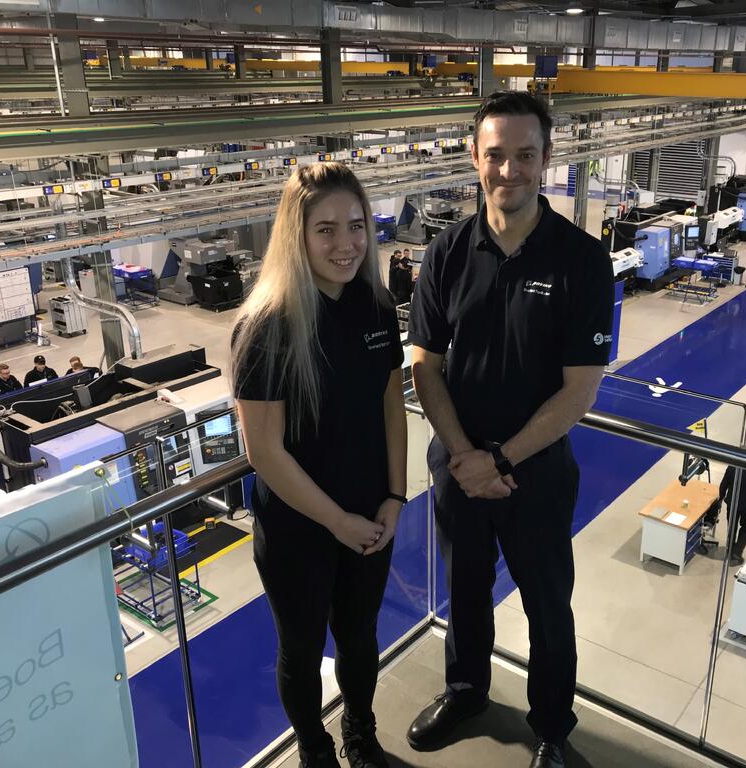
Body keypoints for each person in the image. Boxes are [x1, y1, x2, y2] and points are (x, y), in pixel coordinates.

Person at [406, 91, 614, 768]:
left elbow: (579, 389)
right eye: (495, 155)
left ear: (547, 159)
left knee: (548, 605)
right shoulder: (444, 254)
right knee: (465, 590)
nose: (509, 170)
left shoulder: (582, 260)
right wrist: (467, 456)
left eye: (525, 155)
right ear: (475, 158)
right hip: (458, 465)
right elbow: (425, 367)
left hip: (538, 471)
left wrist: (500, 458)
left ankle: (552, 726)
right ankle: (466, 691)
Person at [232, 162, 406, 768]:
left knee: (360, 640)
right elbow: (264, 452)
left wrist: (395, 497)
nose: (346, 243)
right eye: (325, 229)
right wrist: (338, 521)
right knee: (301, 651)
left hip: (369, 515)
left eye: (356, 225)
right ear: (296, 236)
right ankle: (314, 748)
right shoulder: (267, 328)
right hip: (299, 529)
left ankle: (360, 730)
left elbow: (392, 407)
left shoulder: (376, 308)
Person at [703, 465, 746, 567]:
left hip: (732, 503)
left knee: (732, 526)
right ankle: (737, 552)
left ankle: (730, 549)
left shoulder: (732, 467)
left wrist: (721, 498)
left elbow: (724, 484)